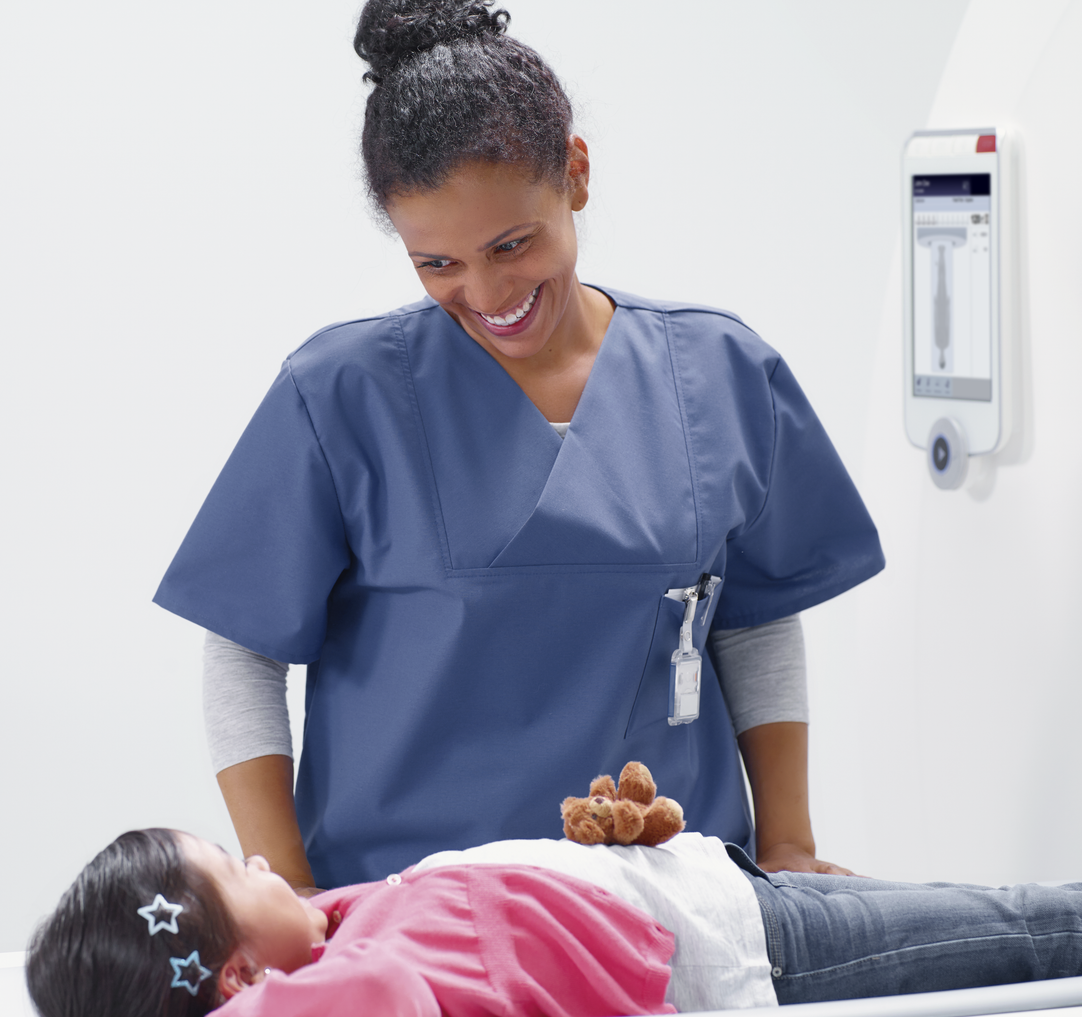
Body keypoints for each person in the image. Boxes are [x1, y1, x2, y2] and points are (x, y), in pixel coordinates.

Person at [153, 0, 886, 893]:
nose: (488, 291)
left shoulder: (718, 372)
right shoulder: (341, 394)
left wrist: (788, 850)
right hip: (407, 909)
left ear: (575, 174)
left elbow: (756, 618)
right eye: (439, 265)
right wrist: (293, 893)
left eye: (512, 243)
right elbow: (242, 649)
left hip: (676, 903)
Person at [25, 827, 1082, 1017]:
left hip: (723, 891)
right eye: (234, 870)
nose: (261, 860)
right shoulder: (366, 974)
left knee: (1050, 909)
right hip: (763, 957)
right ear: (232, 974)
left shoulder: (350, 921)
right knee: (1057, 940)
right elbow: (368, 1014)